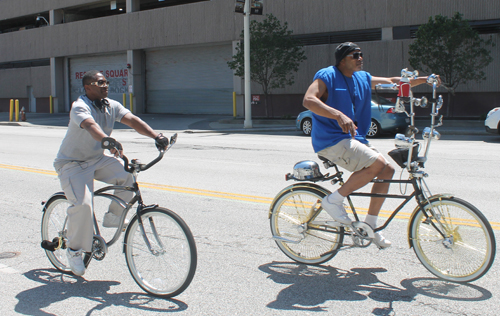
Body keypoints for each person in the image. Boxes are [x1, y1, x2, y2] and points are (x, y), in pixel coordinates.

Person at [303, 42, 440, 248]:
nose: (360, 58)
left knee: (387, 169)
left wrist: (424, 80)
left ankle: (370, 226)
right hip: (331, 140)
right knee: (377, 164)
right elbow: (308, 100)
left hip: (354, 139)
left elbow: (394, 81)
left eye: (361, 54)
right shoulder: (327, 75)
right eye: (354, 55)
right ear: (342, 60)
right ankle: (334, 200)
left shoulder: (362, 77)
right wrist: (338, 114)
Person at [54, 70, 169, 276]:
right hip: (72, 164)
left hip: (96, 159)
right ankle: (74, 250)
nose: (105, 85)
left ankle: (113, 217)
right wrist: (107, 142)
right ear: (88, 87)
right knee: (84, 205)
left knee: (127, 176)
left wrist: (155, 135)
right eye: (100, 82)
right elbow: (90, 126)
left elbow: (132, 120)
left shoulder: (110, 105)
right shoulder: (79, 106)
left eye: (106, 81)